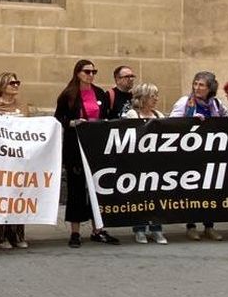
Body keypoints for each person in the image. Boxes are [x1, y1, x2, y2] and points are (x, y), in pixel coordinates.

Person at [55, 59, 118, 248]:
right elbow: (59, 118)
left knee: (98, 189)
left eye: (93, 72)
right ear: (78, 73)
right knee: (76, 190)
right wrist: (73, 123)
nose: (91, 75)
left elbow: (107, 114)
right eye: (87, 71)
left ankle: (98, 229)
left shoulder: (99, 93)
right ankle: (75, 232)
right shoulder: (68, 94)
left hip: (96, 146)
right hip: (76, 146)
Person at [172, 72, 226, 241]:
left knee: (210, 191)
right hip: (189, 154)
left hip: (210, 154)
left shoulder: (216, 105)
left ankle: (209, 226)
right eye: (195, 84)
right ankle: (191, 226)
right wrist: (189, 120)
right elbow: (171, 124)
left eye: (201, 85)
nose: (197, 88)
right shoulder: (185, 102)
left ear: (210, 88)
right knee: (192, 190)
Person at [122, 82, 168, 243]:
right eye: (152, 96)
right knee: (139, 197)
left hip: (156, 163)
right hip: (138, 163)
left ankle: (157, 229)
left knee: (156, 197)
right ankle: (139, 229)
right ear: (143, 98)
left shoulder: (159, 116)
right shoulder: (132, 115)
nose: (155, 99)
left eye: (156, 95)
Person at [0, 72, 30, 250]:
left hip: (19, 158)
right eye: (12, 83)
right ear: (2, 86)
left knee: (18, 195)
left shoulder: (22, 106)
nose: (15, 85)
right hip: (1, 158)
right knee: (2, 196)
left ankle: (17, 234)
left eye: (17, 82)